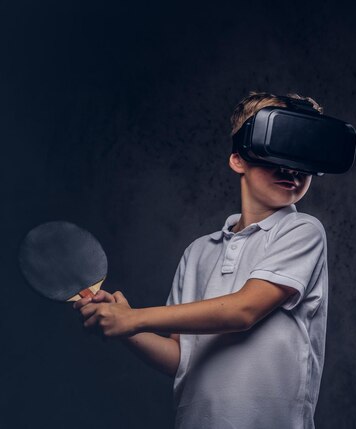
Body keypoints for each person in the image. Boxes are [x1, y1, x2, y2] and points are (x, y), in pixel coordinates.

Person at [73, 91, 329, 429]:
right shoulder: (198, 252)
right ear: (239, 159)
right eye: (277, 148)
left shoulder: (302, 230)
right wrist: (123, 327)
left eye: (303, 155)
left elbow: (243, 310)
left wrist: (134, 318)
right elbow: (181, 358)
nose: (291, 168)